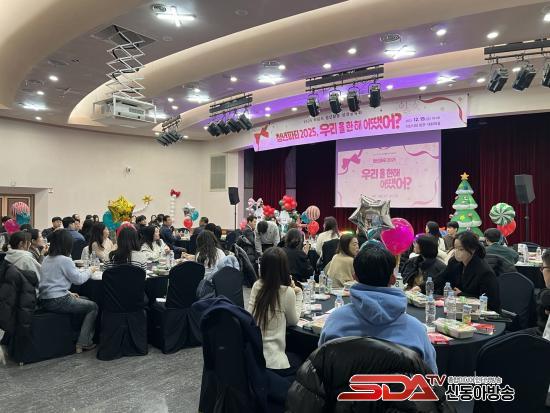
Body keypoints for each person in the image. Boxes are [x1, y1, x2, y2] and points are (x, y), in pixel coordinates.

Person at [319, 244, 438, 373]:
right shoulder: (416, 330)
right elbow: (431, 376)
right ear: (393, 279)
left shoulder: (335, 322)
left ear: (355, 277)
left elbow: (320, 368)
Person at [38, 229, 99, 353]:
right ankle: (84, 342)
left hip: (45, 299)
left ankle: (77, 335)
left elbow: (51, 282)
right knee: (93, 307)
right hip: (58, 300)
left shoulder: (47, 258)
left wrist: (68, 292)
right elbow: (79, 280)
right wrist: (91, 270)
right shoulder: (64, 260)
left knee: (85, 299)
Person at [248, 247, 303, 376]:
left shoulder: (257, 285)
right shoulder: (287, 292)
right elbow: (293, 321)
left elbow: (250, 315)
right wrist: (299, 293)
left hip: (254, 356)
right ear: (284, 268)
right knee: (303, 356)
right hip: (275, 363)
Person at [435, 231, 500, 311]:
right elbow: (441, 278)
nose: (457, 252)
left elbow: (490, 302)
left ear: (472, 250)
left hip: (480, 312)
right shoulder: (454, 262)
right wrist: (423, 287)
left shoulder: (484, 271)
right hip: (458, 308)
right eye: (455, 248)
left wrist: (461, 294)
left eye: (461, 249)